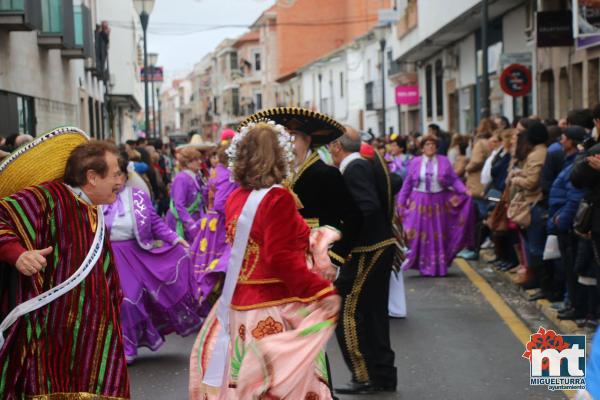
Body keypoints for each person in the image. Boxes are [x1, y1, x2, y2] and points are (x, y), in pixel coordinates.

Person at [189, 121, 340, 399]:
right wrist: (320, 291)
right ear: (280, 156)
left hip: (240, 306)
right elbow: (281, 258)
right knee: (279, 383)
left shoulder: (236, 197)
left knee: (250, 382)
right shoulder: (277, 199)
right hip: (273, 307)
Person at [0, 129, 129, 398]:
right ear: (92, 177)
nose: (122, 180)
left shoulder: (93, 208)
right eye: (116, 173)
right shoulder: (46, 198)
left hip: (96, 339)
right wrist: (18, 254)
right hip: (49, 336)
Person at [104, 155, 203, 364]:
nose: (117, 179)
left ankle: (128, 347)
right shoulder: (96, 197)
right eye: (112, 175)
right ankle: (112, 346)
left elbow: (155, 222)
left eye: (119, 174)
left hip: (135, 254)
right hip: (104, 256)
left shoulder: (137, 196)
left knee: (129, 300)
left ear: (126, 175)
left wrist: (175, 239)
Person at [328, 127, 398, 394]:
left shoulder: (354, 167)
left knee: (346, 309)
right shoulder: (362, 164)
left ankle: (364, 375)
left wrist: (343, 240)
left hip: (367, 249)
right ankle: (383, 376)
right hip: (376, 246)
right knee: (374, 314)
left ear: (336, 146)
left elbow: (366, 207)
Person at [397, 135, 476, 276]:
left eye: (433, 144)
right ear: (422, 147)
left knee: (439, 234)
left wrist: (464, 191)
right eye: (427, 144)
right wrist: (401, 202)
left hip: (439, 202)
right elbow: (407, 184)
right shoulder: (415, 162)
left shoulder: (444, 161)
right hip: (419, 201)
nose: (430, 147)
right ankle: (423, 265)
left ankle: (438, 266)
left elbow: (454, 180)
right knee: (419, 234)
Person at [189, 143, 238, 316]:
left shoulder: (217, 171)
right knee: (218, 262)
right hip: (219, 223)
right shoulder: (229, 174)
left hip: (210, 220)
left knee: (208, 260)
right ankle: (215, 301)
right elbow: (220, 203)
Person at [166, 147, 205, 241]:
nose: (200, 161)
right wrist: (190, 224)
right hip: (182, 222)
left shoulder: (196, 176)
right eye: (195, 160)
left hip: (194, 219)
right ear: (187, 163)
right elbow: (179, 204)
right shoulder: (181, 178)